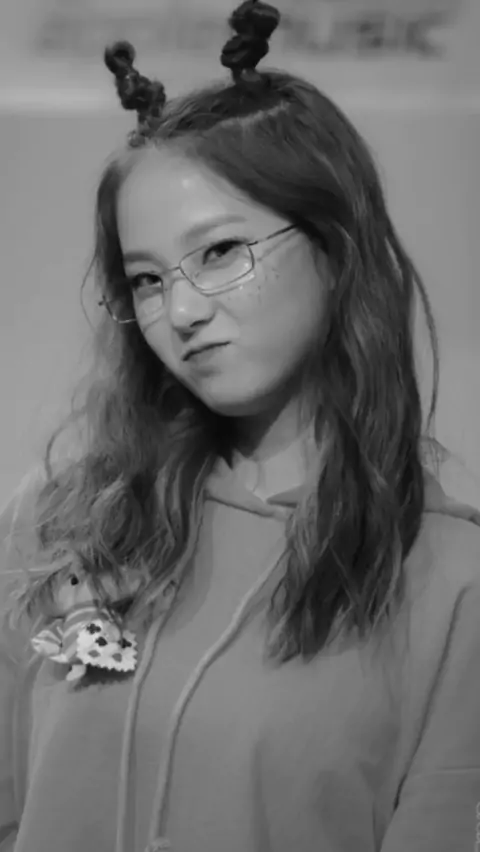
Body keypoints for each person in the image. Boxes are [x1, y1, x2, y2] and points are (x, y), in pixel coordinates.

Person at [1, 1, 480, 851]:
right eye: (147, 280)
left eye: (221, 252)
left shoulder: (450, 586)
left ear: (337, 246)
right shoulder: (62, 520)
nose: (181, 311)